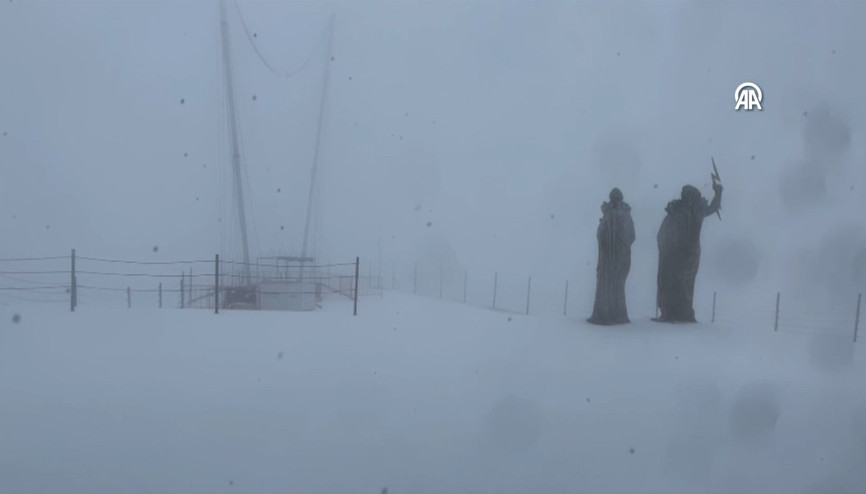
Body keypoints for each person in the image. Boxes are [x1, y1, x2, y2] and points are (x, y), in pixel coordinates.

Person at [654, 181, 722, 323]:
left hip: (683, 255)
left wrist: (718, 193)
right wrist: (718, 193)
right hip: (683, 254)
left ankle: (676, 314)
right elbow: (713, 207)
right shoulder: (686, 211)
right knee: (678, 284)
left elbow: (713, 207)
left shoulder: (688, 211)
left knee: (678, 284)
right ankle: (674, 313)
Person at [588, 188, 636, 325]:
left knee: (607, 285)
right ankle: (618, 313)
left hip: (609, 260)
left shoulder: (609, 214)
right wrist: (623, 246)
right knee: (618, 286)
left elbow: (601, 234)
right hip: (622, 258)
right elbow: (632, 236)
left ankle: (606, 314)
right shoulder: (626, 215)